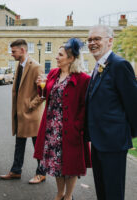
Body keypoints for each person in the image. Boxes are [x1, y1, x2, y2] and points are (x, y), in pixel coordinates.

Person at [34, 38, 92, 200]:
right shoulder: (53, 73)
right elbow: (46, 96)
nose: (56, 57)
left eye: (60, 55)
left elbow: (84, 106)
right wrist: (41, 87)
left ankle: (68, 196)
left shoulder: (83, 79)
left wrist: (77, 125)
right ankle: (59, 194)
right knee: (55, 164)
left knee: (71, 166)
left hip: (70, 129)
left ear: (71, 58)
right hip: (51, 127)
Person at [86, 25, 137, 200]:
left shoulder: (120, 65)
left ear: (110, 41)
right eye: (90, 40)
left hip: (114, 142)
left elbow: (133, 103)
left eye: (97, 39)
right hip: (98, 141)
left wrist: (128, 136)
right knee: (102, 190)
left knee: (113, 192)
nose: (92, 43)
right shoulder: (97, 66)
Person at [0, 39, 46, 183]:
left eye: (13, 51)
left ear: (23, 50)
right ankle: (15, 171)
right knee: (19, 144)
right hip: (20, 114)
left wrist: (30, 105)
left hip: (32, 115)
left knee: (37, 146)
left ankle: (41, 173)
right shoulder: (19, 65)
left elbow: (43, 92)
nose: (11, 54)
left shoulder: (36, 67)